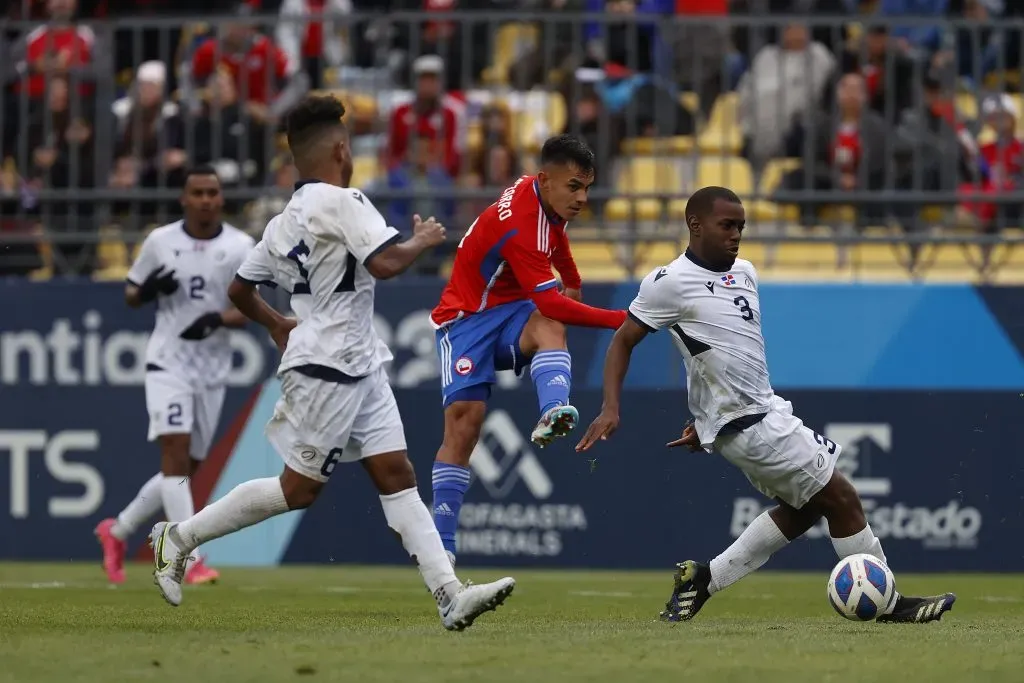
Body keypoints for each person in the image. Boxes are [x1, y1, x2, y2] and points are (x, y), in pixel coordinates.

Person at [148, 95, 516, 632]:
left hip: (358, 361)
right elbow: (386, 263)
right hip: (327, 365)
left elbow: (239, 288)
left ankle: (449, 594)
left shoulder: (282, 222)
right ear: (342, 149)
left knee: (398, 475)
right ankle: (178, 537)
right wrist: (423, 238)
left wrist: (276, 322)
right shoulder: (345, 202)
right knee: (297, 490)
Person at [576, 186, 956, 624]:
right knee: (843, 498)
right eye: (726, 225)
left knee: (808, 507)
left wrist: (708, 421)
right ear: (695, 225)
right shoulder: (669, 283)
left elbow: (723, 353)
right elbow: (623, 341)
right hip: (752, 426)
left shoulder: (747, 272)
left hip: (763, 411)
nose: (736, 234)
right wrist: (610, 407)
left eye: (741, 226)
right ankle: (889, 604)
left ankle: (703, 580)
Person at [428, 134, 627, 565]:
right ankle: (440, 546)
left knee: (550, 319)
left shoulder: (544, 198)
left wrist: (572, 277)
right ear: (546, 180)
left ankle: (554, 409)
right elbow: (553, 297)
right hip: (465, 320)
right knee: (465, 427)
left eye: (587, 187)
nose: (582, 198)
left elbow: (556, 240)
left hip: (512, 308)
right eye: (575, 187)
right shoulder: (521, 222)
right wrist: (621, 320)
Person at [94, 166, 254, 586]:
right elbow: (131, 291)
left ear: (221, 199)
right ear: (184, 198)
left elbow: (252, 308)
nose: (205, 199)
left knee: (182, 469)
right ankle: (190, 556)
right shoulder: (160, 241)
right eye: (197, 192)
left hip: (212, 369)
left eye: (212, 192)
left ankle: (118, 530)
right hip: (169, 362)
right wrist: (147, 292)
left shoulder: (241, 245)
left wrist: (218, 319)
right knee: (175, 455)